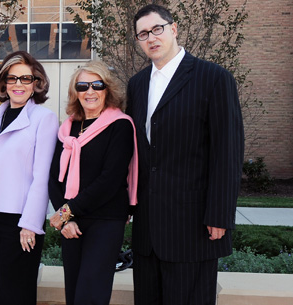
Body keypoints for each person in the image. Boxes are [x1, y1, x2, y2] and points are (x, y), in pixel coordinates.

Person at [127, 4, 244, 304]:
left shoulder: (214, 78)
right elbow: (137, 152)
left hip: (193, 227)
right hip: (147, 230)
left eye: (157, 29)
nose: (151, 38)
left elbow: (227, 152)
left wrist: (220, 214)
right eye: (143, 34)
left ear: (174, 29)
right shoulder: (137, 85)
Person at [0, 50, 58, 305]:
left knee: (15, 293)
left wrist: (31, 223)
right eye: (12, 78)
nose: (18, 84)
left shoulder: (44, 119)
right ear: (3, 83)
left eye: (25, 79)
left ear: (36, 83)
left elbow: (42, 177)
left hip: (20, 220)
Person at [47, 60, 138, 305]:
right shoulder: (68, 127)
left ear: (107, 89)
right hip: (71, 222)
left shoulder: (120, 125)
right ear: (75, 92)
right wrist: (65, 217)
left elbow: (110, 180)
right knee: (74, 291)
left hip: (105, 220)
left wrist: (67, 211)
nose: (90, 91)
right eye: (83, 86)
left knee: (92, 294)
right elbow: (54, 176)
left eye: (97, 85)